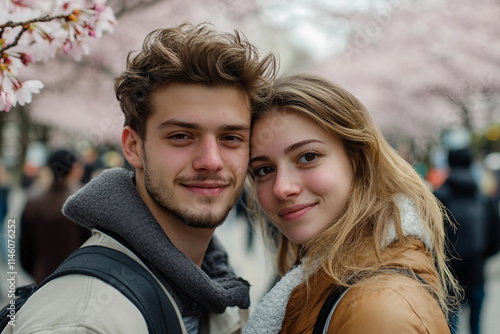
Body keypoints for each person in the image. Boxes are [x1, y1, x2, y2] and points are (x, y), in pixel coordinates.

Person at [6, 23, 277, 334]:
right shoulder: (84, 323)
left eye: (231, 137)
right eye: (181, 136)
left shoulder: (212, 288)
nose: (211, 161)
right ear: (133, 147)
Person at [243, 73, 459, 333]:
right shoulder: (324, 277)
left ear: (356, 159)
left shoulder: (378, 313)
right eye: (264, 170)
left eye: (308, 156)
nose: (282, 188)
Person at [434, 147, 500, 334]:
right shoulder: (484, 198)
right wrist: (480, 257)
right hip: (477, 272)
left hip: (449, 276)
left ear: (448, 164)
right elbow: (496, 238)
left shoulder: (438, 197)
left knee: (450, 327)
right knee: (476, 326)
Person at [20, 149, 90, 284]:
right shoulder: (82, 200)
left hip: (42, 276)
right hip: (75, 277)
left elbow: (25, 250)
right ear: (74, 168)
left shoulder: (33, 201)